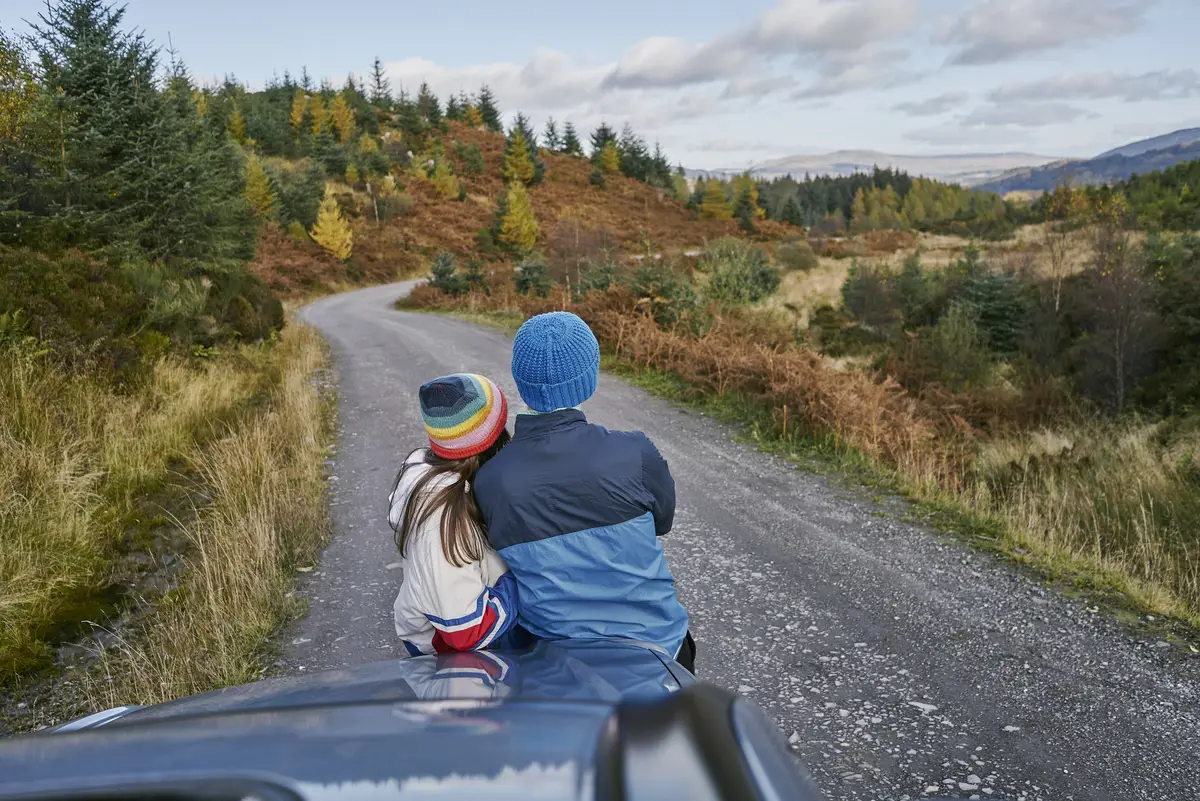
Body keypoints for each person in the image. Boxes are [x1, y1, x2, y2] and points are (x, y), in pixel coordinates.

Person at [473, 312, 696, 673]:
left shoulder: (490, 479)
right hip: (659, 649)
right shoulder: (635, 452)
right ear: (589, 378)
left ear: (519, 380)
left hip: (555, 662)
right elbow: (662, 521)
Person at [388, 373, 521, 657]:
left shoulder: (461, 484)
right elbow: (466, 630)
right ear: (491, 441)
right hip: (452, 656)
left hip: (469, 626)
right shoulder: (441, 520)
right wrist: (522, 585)